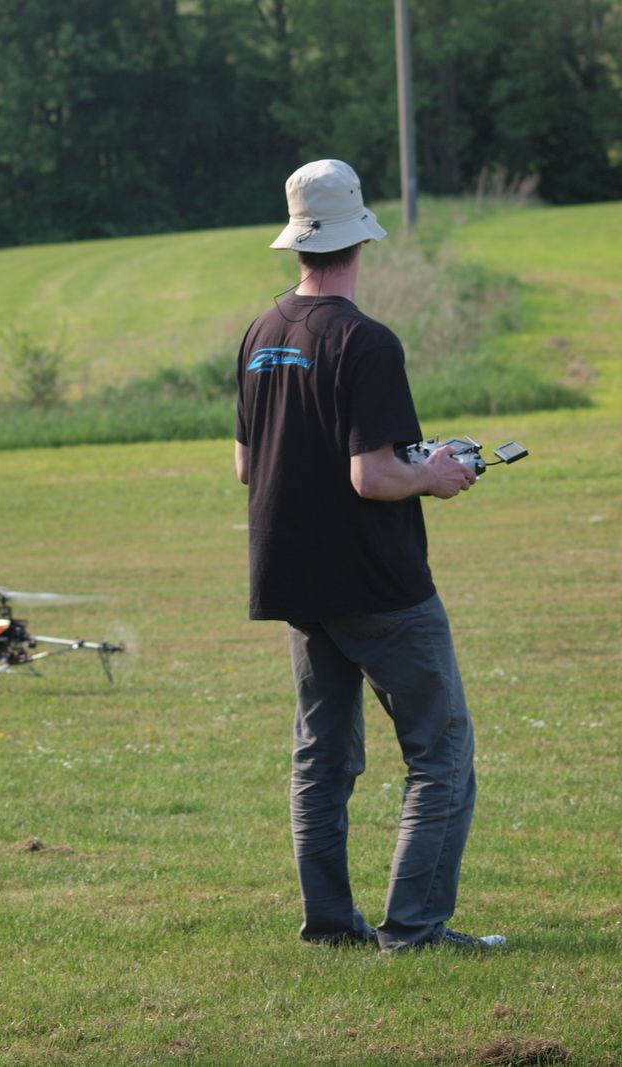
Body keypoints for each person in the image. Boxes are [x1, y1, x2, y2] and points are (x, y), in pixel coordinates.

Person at [234, 159, 505, 952]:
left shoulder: (261, 333)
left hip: (297, 579)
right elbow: (372, 472)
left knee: (323, 757)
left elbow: (251, 465)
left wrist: (406, 460)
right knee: (442, 753)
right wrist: (439, 473)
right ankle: (415, 929)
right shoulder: (367, 341)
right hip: (380, 585)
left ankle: (329, 924)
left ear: (298, 242)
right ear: (359, 238)